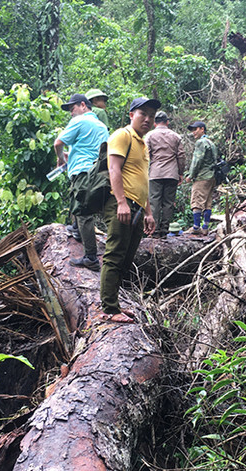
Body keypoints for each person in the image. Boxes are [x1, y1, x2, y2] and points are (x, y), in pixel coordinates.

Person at [100, 97, 159, 318]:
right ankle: (109, 309)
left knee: (126, 257)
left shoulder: (142, 143)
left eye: (151, 116)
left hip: (137, 206)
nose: (147, 119)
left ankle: (114, 302)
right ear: (131, 115)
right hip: (121, 203)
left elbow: (142, 180)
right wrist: (122, 202)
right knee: (115, 254)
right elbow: (114, 169)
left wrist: (148, 212)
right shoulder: (122, 135)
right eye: (143, 113)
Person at [53, 93, 109, 271]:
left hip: (82, 172)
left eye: (72, 108)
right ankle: (76, 229)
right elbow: (91, 150)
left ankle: (91, 257)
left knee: (84, 213)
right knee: (82, 205)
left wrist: (61, 158)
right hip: (98, 173)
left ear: (83, 105)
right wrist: (71, 155)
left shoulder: (80, 121)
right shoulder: (102, 126)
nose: (71, 113)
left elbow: (58, 143)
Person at [145, 110, 185, 238]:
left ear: (154, 123)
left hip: (155, 173)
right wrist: (180, 173)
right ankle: (164, 230)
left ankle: (154, 231)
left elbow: (145, 155)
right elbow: (181, 156)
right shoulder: (176, 136)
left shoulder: (150, 136)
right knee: (168, 203)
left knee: (154, 202)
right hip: (171, 173)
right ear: (167, 122)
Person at [185, 120, 218, 235]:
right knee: (207, 202)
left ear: (202, 129)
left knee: (197, 201)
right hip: (212, 176)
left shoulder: (201, 142)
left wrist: (191, 175)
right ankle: (205, 227)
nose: (194, 132)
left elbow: (197, 161)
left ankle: (196, 227)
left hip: (202, 176)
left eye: (195, 129)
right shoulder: (211, 143)